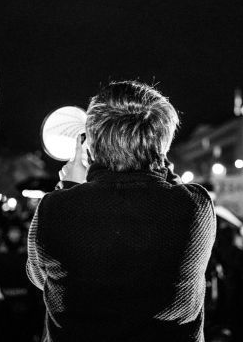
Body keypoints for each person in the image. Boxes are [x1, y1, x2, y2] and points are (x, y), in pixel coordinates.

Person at [26, 81, 216, 341]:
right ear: (164, 144)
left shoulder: (56, 208)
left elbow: (39, 277)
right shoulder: (196, 206)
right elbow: (171, 185)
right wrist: (155, 157)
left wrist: (68, 187)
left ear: (90, 144)